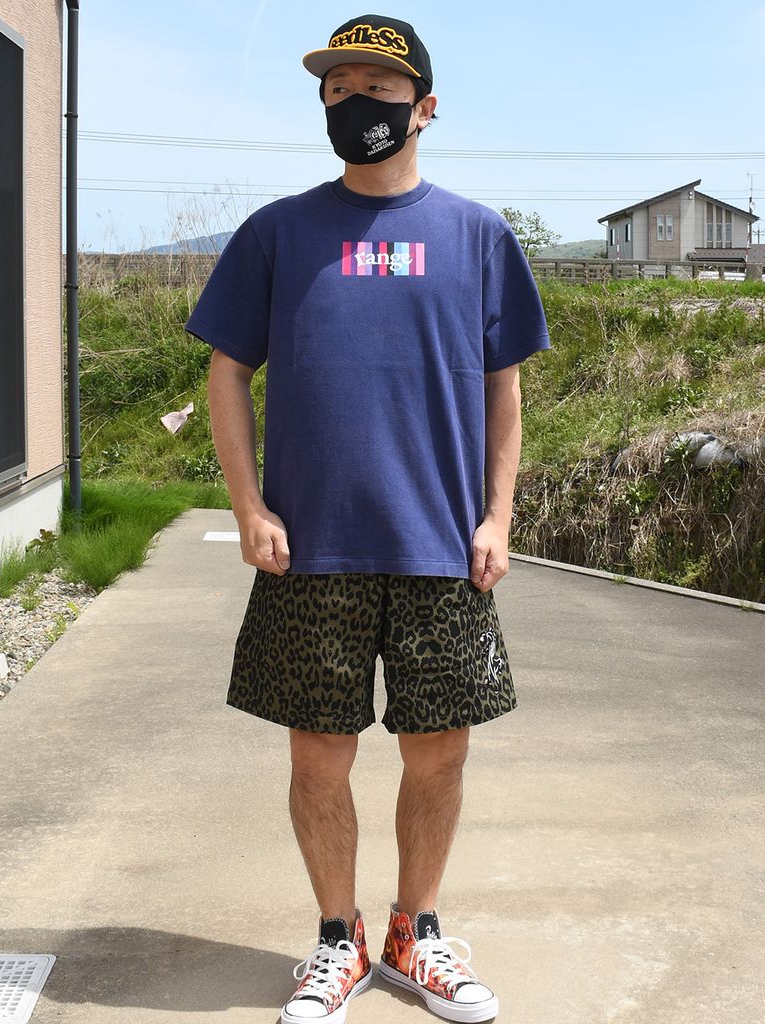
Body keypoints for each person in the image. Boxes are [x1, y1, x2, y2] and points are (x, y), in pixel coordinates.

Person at [184, 14, 551, 1024]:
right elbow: (226, 370)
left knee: (439, 752)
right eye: (339, 89)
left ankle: (413, 934)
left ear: (425, 107)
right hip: (313, 550)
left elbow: (504, 388)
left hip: (443, 547)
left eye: (379, 89)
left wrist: (498, 516)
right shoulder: (277, 233)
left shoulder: (478, 236)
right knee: (318, 756)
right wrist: (248, 503)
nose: (357, 105)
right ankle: (336, 940)